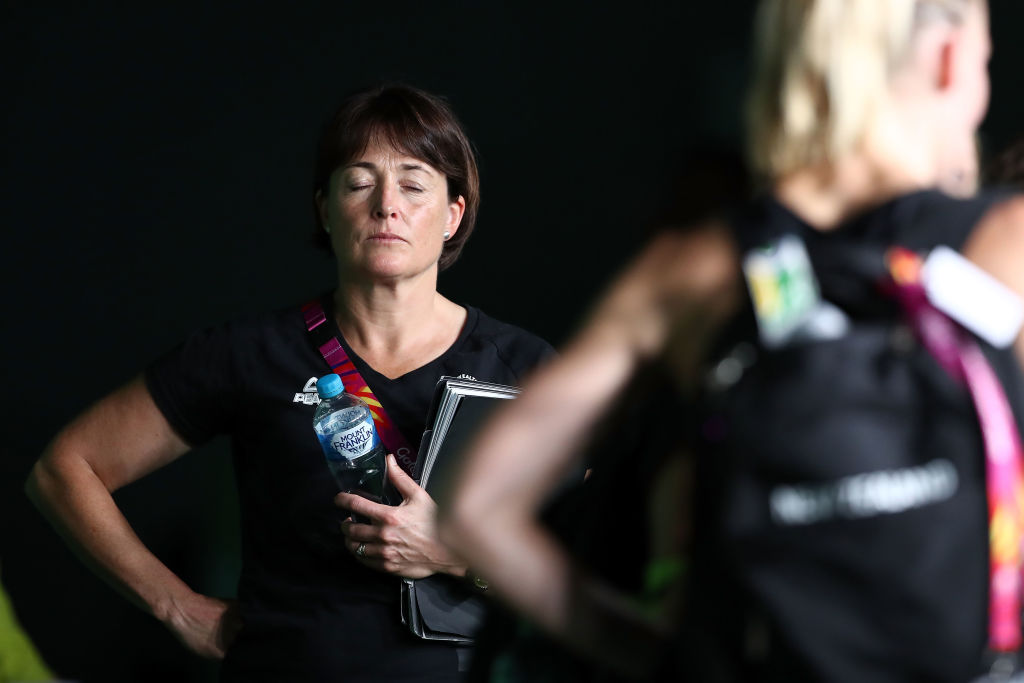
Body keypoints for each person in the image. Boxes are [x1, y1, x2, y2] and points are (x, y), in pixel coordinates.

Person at [440, 1, 1024, 680]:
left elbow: (475, 506)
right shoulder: (1005, 247)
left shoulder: (695, 267)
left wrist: (655, 655)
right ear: (951, 59)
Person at [25, 84, 553, 682]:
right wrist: (176, 605)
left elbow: (588, 560)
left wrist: (456, 554)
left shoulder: (524, 368)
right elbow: (64, 470)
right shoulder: (251, 352)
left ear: (454, 212)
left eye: (413, 183)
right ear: (324, 208)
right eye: (358, 182)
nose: (387, 206)